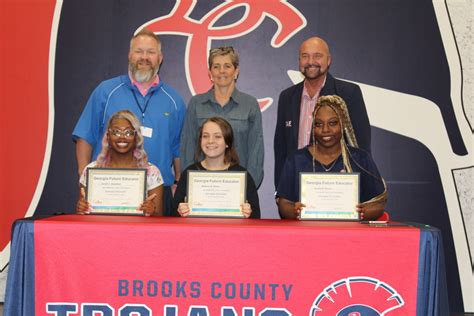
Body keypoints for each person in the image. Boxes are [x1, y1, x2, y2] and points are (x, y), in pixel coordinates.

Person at [72, 28, 186, 215]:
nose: (144, 57)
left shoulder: (174, 100)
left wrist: (178, 186)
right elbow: (85, 136)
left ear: (160, 58)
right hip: (108, 187)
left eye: (150, 52)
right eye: (139, 51)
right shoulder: (106, 91)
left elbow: (179, 147)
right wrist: (86, 178)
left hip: (157, 190)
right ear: (129, 55)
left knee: (155, 244)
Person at [274, 37, 371, 188]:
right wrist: (280, 190)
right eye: (305, 56)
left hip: (336, 186)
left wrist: (358, 185)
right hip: (295, 187)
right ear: (299, 61)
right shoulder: (287, 97)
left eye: (317, 56)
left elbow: (361, 146)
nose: (311, 61)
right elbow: (281, 149)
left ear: (329, 60)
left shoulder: (348, 93)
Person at [276, 95, 387, 220]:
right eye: (318, 124)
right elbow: (283, 203)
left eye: (332, 123)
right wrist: (294, 211)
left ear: (343, 124)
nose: (325, 130)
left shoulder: (360, 159)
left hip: (350, 236)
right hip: (307, 235)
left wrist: (364, 212)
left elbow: (379, 203)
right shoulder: (296, 159)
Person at [180, 46, 264, 186]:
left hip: (238, 186)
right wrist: (190, 184)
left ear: (236, 71)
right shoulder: (196, 103)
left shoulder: (250, 104)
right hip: (202, 185)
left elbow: (256, 151)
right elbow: (188, 147)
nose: (222, 71)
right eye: (216, 66)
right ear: (210, 72)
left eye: (227, 66)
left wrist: (248, 188)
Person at [76, 110, 164, 216]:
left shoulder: (152, 172)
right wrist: (81, 208)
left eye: (128, 133)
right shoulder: (91, 170)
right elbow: (83, 214)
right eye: (116, 132)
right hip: (101, 230)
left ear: (136, 137)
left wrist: (152, 211)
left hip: (137, 231)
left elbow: (159, 216)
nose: (122, 137)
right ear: (108, 136)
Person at [173, 117, 260, 218]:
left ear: (227, 142)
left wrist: (249, 213)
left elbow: (256, 216)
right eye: (205, 136)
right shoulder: (189, 174)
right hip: (198, 233)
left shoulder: (242, 176)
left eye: (217, 136)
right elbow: (173, 214)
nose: (210, 141)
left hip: (231, 233)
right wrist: (180, 211)